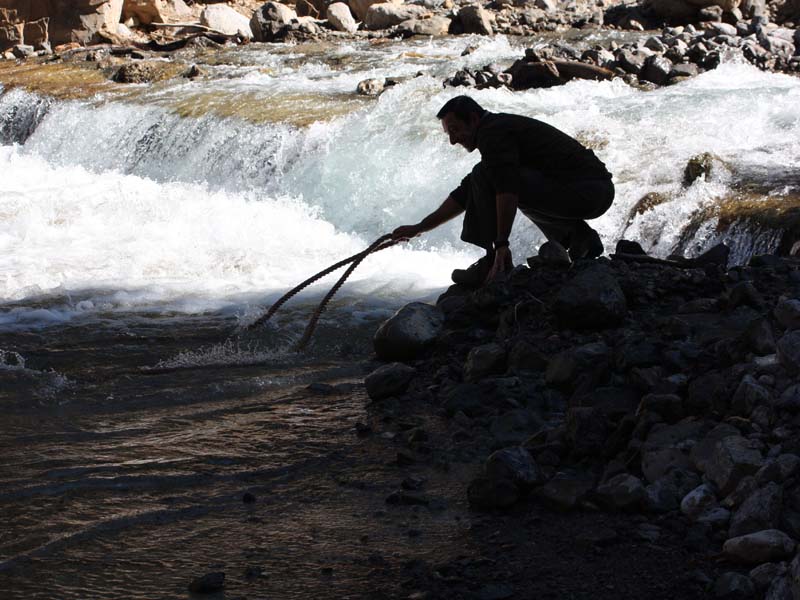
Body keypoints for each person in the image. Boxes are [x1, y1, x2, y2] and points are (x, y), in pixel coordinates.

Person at [391, 95, 615, 286]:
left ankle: (492, 263)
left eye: (455, 130)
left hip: (589, 191)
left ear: (474, 118)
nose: (452, 140)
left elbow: (506, 189)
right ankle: (579, 239)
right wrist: (419, 227)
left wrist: (501, 244)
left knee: (493, 178)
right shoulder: (495, 131)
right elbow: (465, 194)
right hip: (593, 191)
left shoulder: (493, 133)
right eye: (449, 134)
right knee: (486, 176)